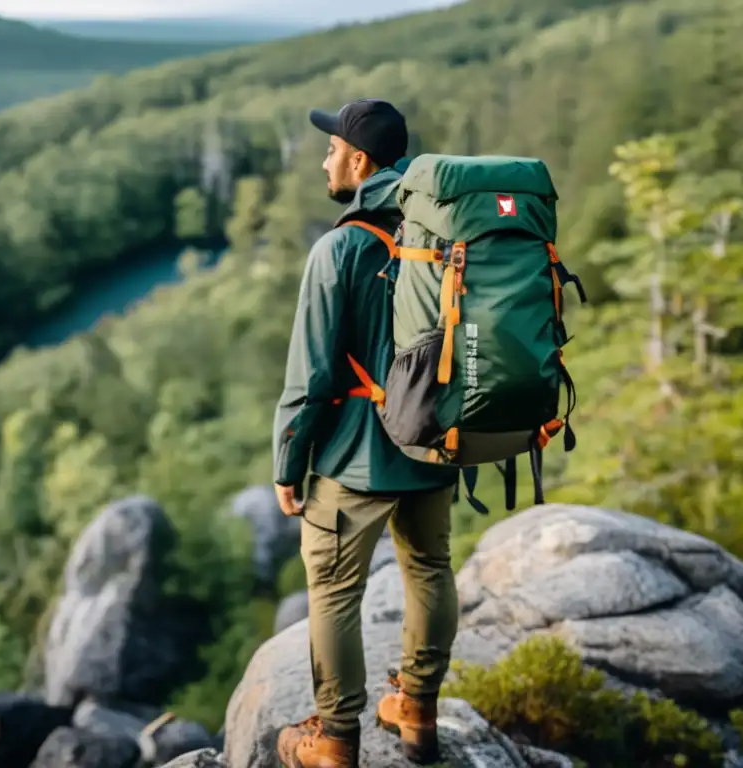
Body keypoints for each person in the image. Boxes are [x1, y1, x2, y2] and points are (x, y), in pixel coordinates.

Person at [272, 98, 461, 768]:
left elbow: (312, 374)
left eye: (332, 148)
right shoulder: (442, 232)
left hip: (356, 459)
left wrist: (287, 464)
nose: (325, 158)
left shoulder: (340, 247)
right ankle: (417, 709)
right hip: (434, 445)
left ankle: (335, 739)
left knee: (333, 593)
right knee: (431, 569)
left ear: (359, 159)